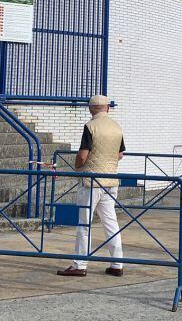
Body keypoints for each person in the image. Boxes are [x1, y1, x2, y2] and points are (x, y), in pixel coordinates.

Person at [59, 95, 126, 278]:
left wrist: (78, 166)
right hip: (111, 180)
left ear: (90, 109)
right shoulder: (116, 127)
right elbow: (120, 154)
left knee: (84, 223)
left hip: (91, 182)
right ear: (107, 109)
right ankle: (117, 264)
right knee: (110, 222)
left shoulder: (90, 126)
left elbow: (82, 156)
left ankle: (80, 264)